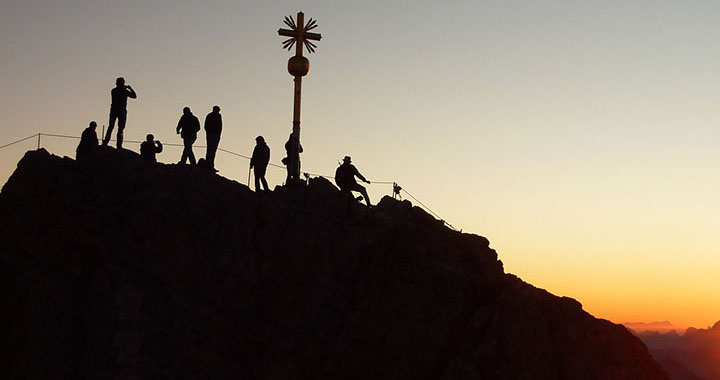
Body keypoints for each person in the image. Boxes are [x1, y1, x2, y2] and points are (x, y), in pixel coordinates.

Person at [102, 77, 137, 148]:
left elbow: (134, 96)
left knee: (112, 127)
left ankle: (106, 142)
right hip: (120, 110)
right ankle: (118, 145)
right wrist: (130, 88)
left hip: (115, 110)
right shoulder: (123, 91)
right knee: (119, 128)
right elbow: (134, 96)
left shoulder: (114, 90)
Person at [204, 105, 222, 171]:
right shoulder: (211, 116)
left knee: (212, 151)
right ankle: (209, 165)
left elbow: (220, 127)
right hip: (212, 135)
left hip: (215, 136)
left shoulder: (218, 116)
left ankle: (210, 165)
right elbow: (206, 126)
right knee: (210, 150)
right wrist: (209, 133)